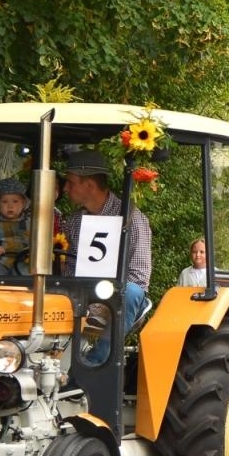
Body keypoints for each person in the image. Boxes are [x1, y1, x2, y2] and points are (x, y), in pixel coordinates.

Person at [61, 148, 152, 347]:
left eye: (70, 182)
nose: (65, 188)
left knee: (132, 292)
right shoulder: (74, 221)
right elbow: (70, 269)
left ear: (89, 185)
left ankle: (100, 360)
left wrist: (104, 301)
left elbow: (139, 276)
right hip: (80, 296)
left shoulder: (132, 218)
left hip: (116, 299)